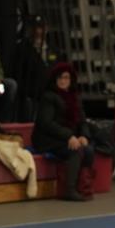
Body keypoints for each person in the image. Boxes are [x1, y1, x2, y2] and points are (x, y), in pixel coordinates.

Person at [32, 63, 93, 201]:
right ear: (54, 79)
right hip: (47, 138)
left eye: (66, 78)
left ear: (71, 80)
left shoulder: (75, 97)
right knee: (74, 151)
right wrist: (69, 136)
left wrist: (84, 135)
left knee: (88, 149)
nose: (63, 81)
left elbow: (82, 121)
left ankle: (84, 187)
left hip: (66, 137)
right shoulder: (48, 97)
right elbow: (46, 123)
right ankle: (69, 190)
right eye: (60, 77)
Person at [11, 14, 57, 121]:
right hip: (31, 93)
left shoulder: (53, 49)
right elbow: (18, 73)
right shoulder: (22, 48)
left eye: (41, 27)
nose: (38, 31)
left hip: (50, 92)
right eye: (35, 28)